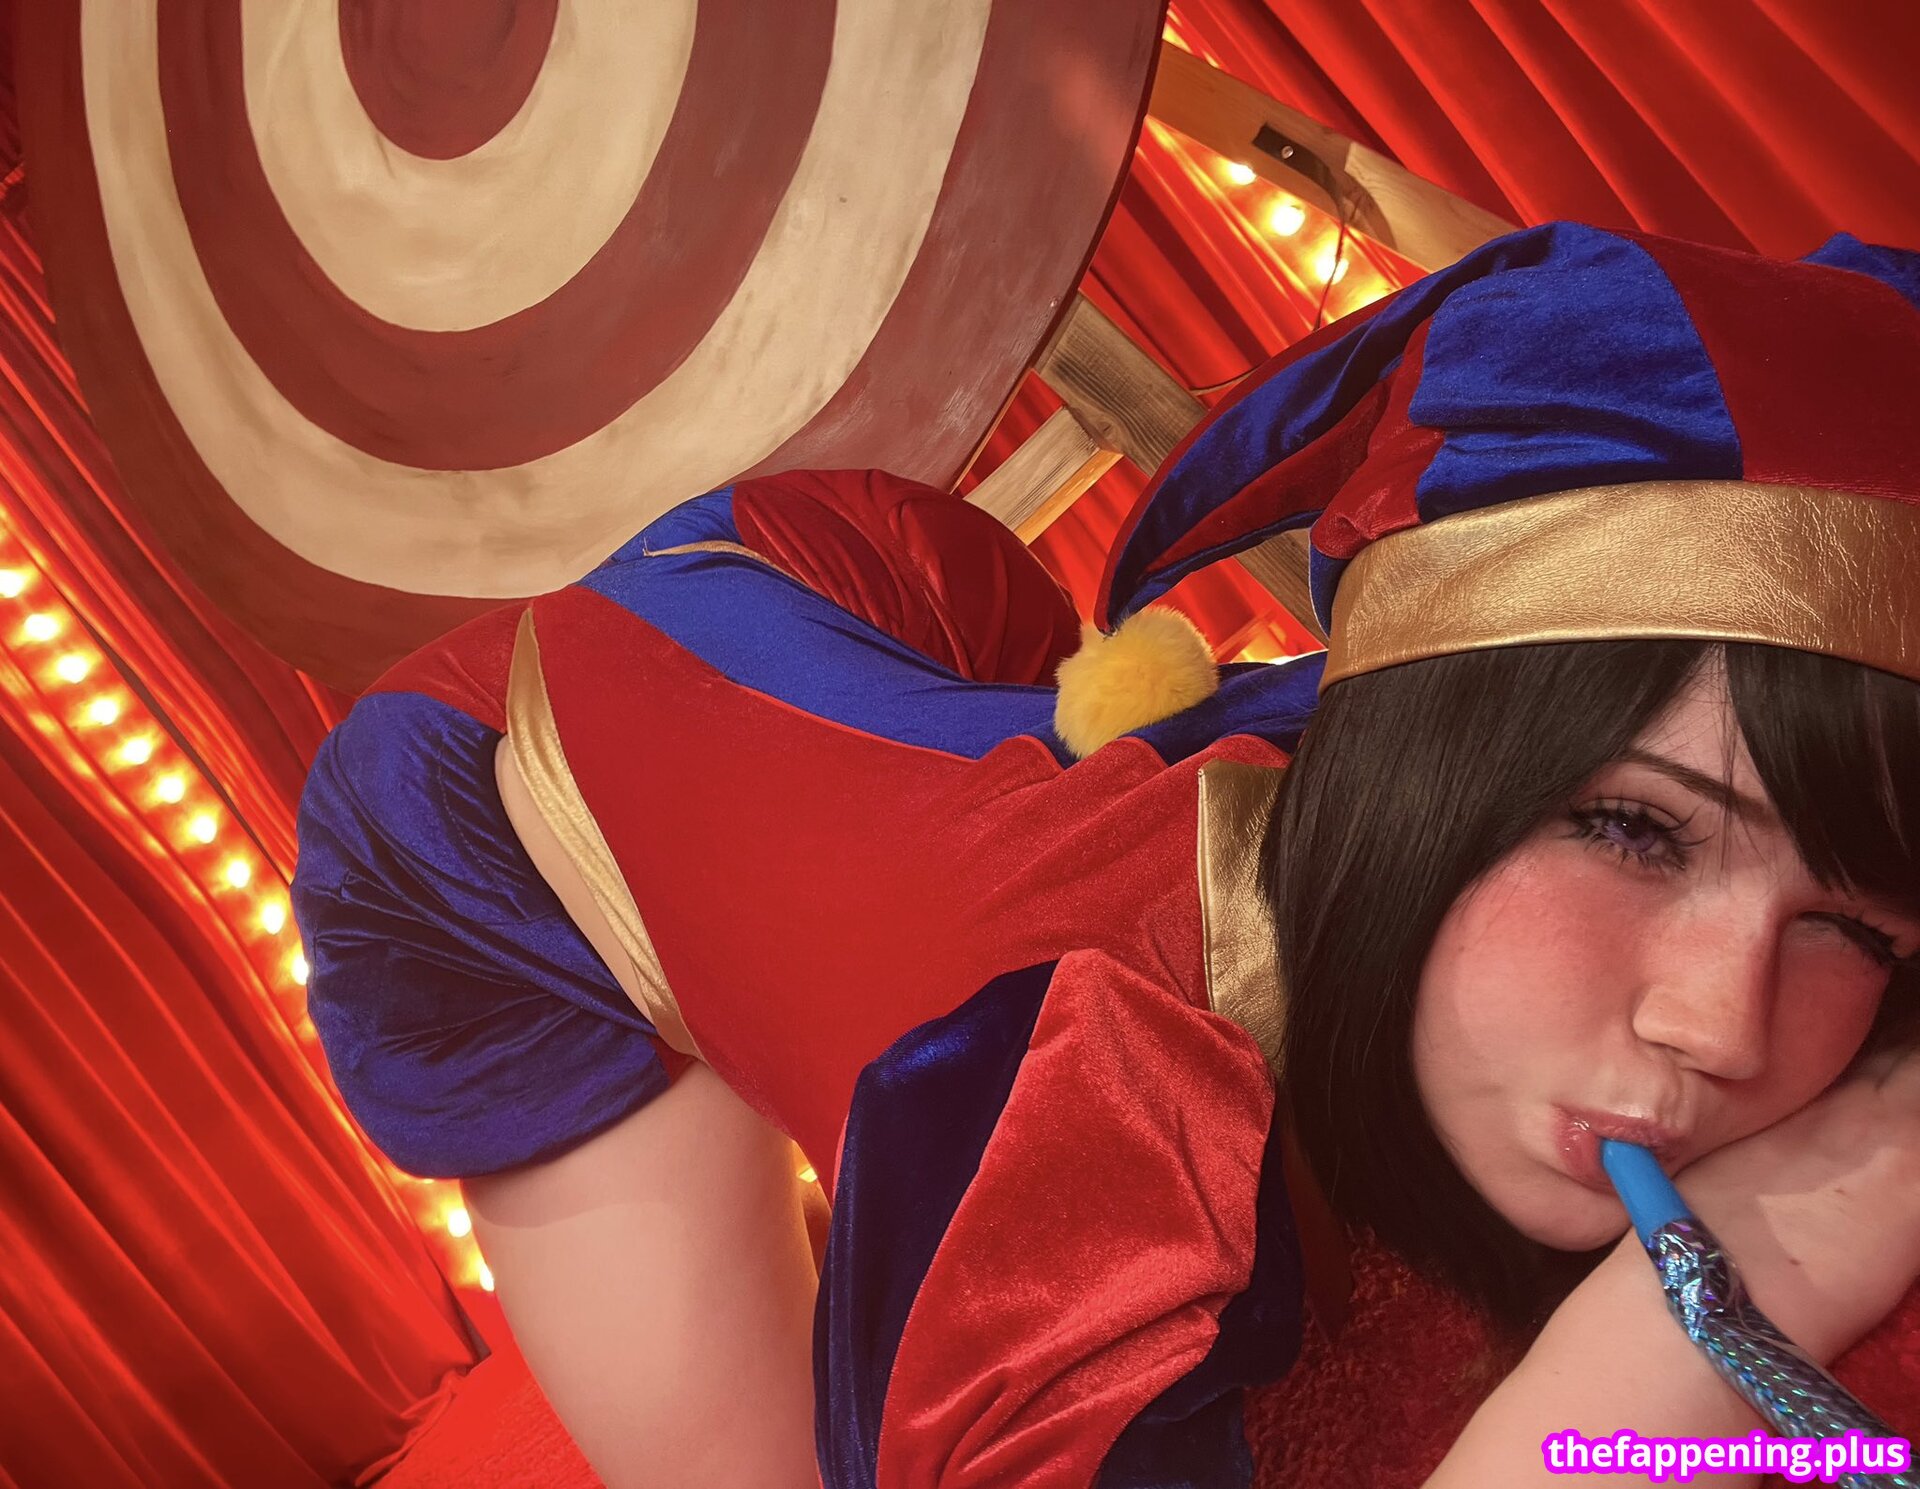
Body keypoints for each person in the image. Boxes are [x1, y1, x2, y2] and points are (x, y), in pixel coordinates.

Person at [292, 222, 1920, 1488]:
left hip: (900, 592)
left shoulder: (1541, 746)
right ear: (1429, 774)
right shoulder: (1076, 1049)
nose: (1724, 1025)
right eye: (1632, 828)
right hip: (489, 800)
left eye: (1852, 922)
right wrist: (1704, 1316)